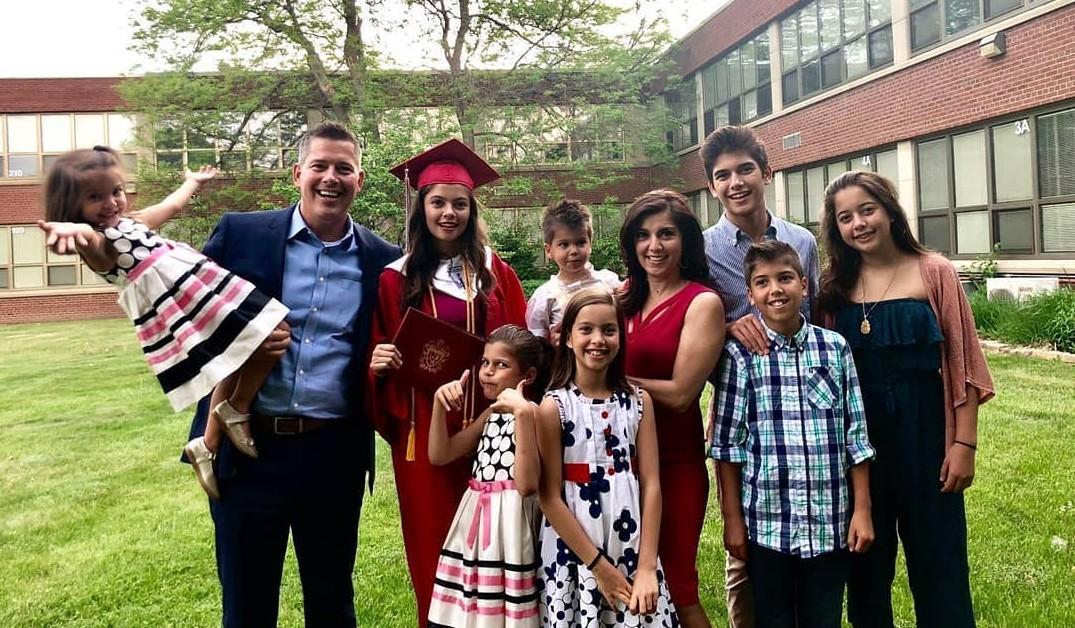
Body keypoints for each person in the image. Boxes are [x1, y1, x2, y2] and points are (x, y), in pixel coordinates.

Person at [183, 121, 401, 627]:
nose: (331, 178)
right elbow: (189, 311)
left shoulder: (384, 260)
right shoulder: (242, 234)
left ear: (359, 180)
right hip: (247, 450)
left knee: (331, 602)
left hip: (333, 453)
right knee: (247, 604)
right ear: (297, 172)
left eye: (343, 169)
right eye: (320, 166)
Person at [36, 149, 289, 501]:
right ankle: (234, 411)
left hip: (201, 286)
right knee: (261, 338)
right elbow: (89, 239)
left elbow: (171, 207)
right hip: (179, 303)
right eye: (94, 197)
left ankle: (211, 439)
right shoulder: (100, 244)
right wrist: (74, 228)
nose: (110, 203)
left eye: (116, 191)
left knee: (253, 343)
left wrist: (192, 183)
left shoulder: (130, 224)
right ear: (72, 204)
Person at [818, 171, 994, 628]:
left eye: (867, 210)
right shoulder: (833, 289)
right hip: (858, 453)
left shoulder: (934, 272)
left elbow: (964, 364)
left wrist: (964, 445)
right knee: (866, 573)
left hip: (928, 443)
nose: (858, 223)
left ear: (890, 210)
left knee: (940, 569)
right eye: (845, 217)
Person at [368, 138, 528, 625]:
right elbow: (378, 354)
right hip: (426, 434)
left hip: (493, 430)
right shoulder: (394, 279)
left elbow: (521, 341)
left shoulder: (493, 271)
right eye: (438, 202)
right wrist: (379, 361)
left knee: (499, 547)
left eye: (460, 203)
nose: (449, 213)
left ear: (471, 209)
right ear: (422, 208)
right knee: (435, 547)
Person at [712, 240, 876, 628]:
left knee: (823, 618)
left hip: (829, 524)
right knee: (773, 618)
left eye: (785, 278)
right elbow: (726, 447)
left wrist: (863, 511)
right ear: (750, 295)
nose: (776, 290)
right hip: (768, 528)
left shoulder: (835, 349)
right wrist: (733, 520)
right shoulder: (739, 358)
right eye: (763, 283)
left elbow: (857, 437)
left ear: (804, 284)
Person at [699, 125, 820, 628]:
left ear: (767, 172)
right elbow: (691, 319)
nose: (736, 182)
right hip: (740, 405)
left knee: (804, 532)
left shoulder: (802, 242)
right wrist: (727, 326)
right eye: (723, 175)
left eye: (745, 169)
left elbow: (811, 318)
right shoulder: (700, 250)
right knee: (745, 543)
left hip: (801, 407)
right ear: (712, 187)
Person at [535, 288, 680, 627]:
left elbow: (652, 484)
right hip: (575, 551)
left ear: (620, 337)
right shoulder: (553, 407)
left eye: (608, 330)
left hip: (630, 542)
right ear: (567, 338)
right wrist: (599, 567)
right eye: (586, 329)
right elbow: (549, 496)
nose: (597, 339)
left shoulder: (638, 401)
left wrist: (646, 567)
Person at [619, 190, 724, 628]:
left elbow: (683, 393)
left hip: (675, 464)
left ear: (685, 241)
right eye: (643, 235)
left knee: (678, 585)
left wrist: (613, 380)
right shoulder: (621, 297)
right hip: (618, 465)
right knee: (625, 584)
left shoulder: (702, 302)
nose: (654, 246)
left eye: (666, 234)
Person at [426, 324, 547, 627]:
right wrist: (439, 407)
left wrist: (521, 416)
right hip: (477, 520)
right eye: (485, 362)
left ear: (528, 376)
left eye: (501, 365)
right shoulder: (490, 414)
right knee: (477, 606)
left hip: (511, 523)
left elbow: (528, 484)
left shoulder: (534, 413)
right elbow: (441, 454)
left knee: (508, 606)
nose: (487, 372)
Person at [525, 199, 621, 345]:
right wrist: (549, 343)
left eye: (580, 242)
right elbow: (534, 342)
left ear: (590, 244)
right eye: (564, 244)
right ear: (549, 250)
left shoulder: (609, 283)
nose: (574, 251)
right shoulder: (544, 297)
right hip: (564, 366)